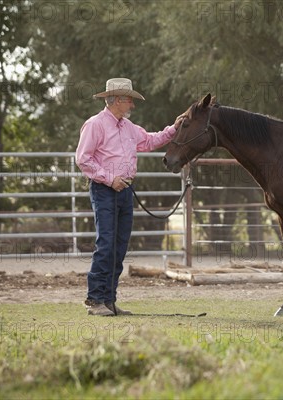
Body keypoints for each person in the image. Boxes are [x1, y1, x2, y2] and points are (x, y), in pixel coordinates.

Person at [76, 78, 184, 316]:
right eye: (129, 100)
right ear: (116, 100)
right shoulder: (95, 125)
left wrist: (174, 129)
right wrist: (108, 178)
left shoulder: (128, 127)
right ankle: (95, 300)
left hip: (124, 191)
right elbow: (83, 159)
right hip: (104, 190)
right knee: (106, 243)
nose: (132, 105)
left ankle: (109, 300)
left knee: (119, 246)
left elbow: (150, 141)